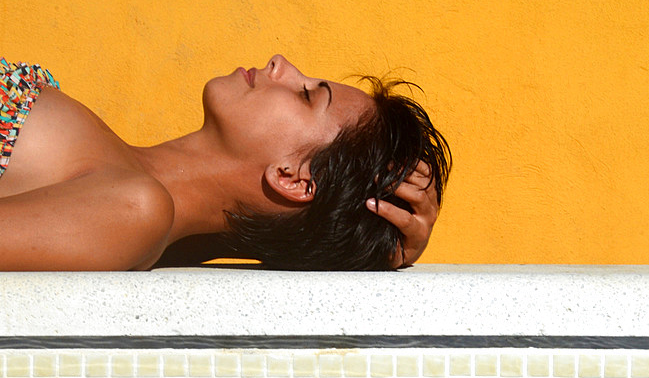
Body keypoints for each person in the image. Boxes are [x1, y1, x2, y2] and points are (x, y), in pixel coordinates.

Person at [0, 55, 451, 271]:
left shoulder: (134, 213)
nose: (281, 63)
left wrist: (364, 247)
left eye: (306, 93)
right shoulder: (136, 202)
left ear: (291, 177)